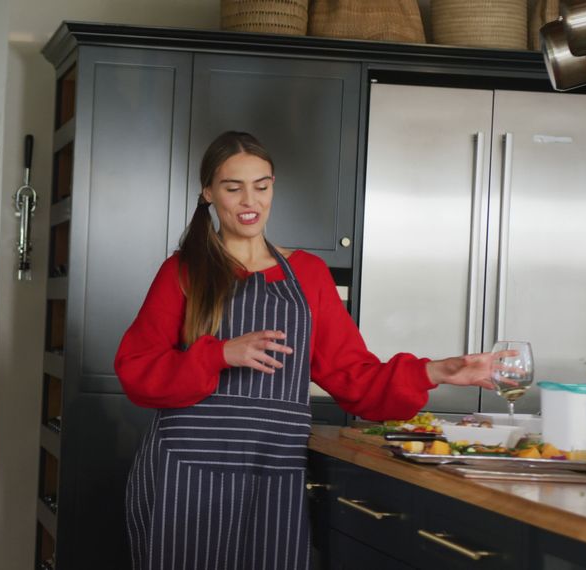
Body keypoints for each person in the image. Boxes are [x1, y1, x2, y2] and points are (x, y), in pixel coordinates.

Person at [114, 131, 501, 569]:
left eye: (261, 186)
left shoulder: (308, 275)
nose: (250, 200)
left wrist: (436, 371)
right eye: (232, 186)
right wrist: (218, 354)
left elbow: (354, 377)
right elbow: (136, 369)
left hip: (274, 473)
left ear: (273, 187)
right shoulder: (182, 271)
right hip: (185, 476)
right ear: (208, 193)